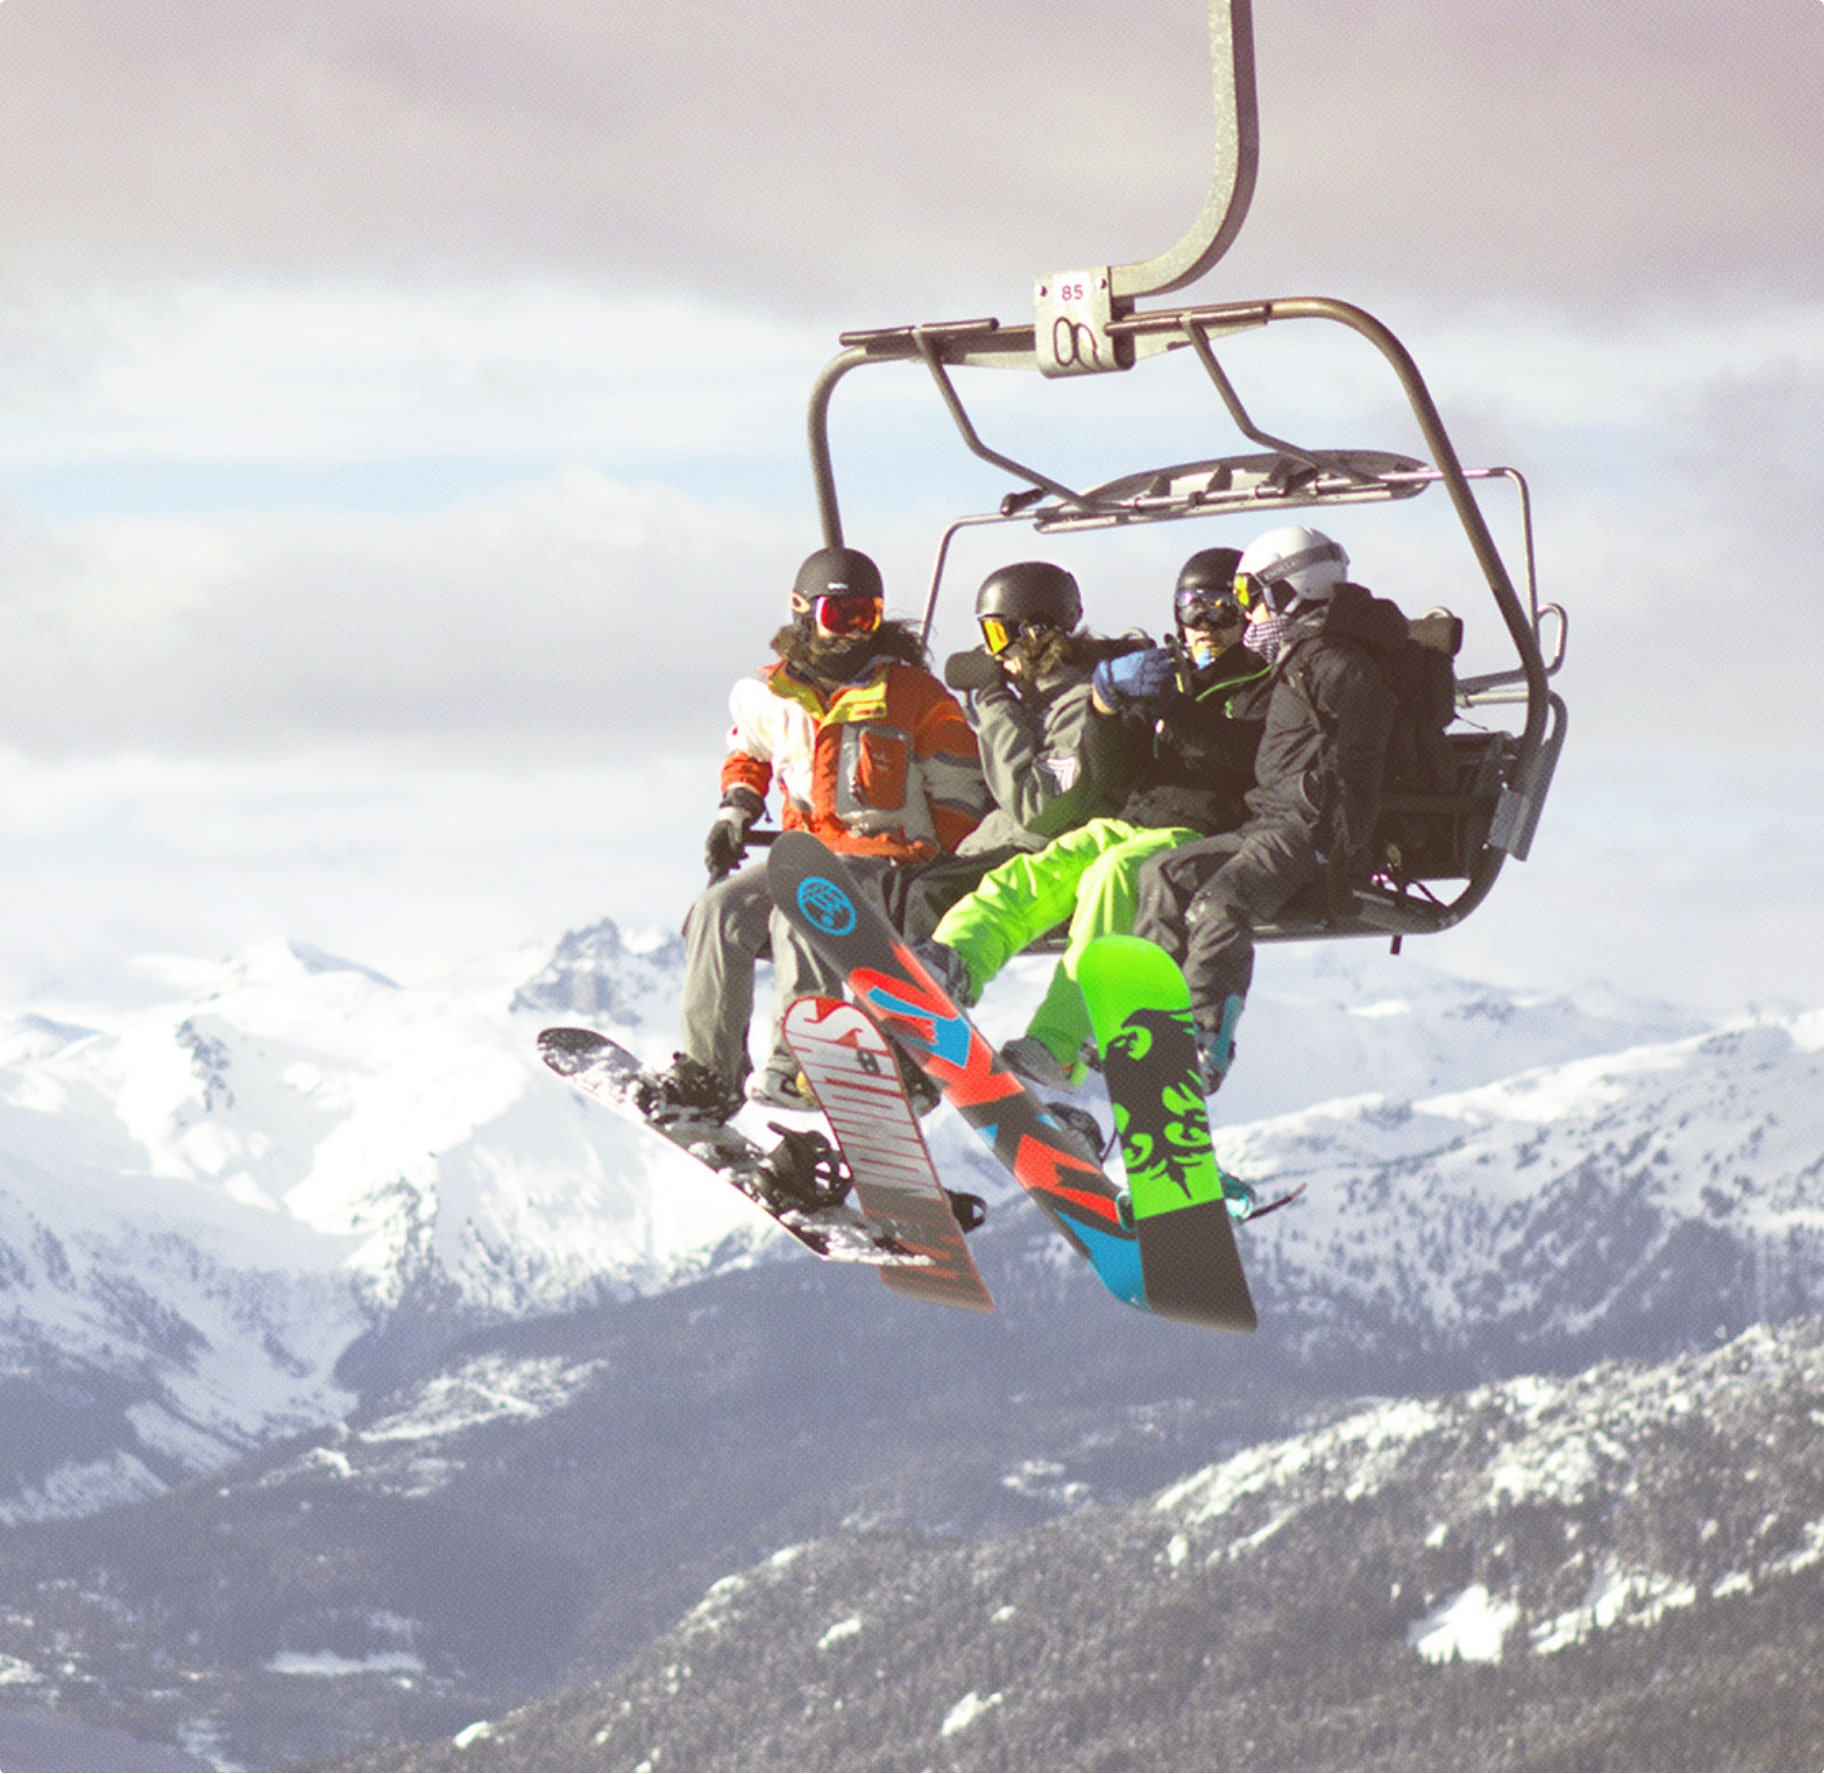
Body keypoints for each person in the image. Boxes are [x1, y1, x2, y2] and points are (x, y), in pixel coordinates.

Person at [914, 546, 1270, 1090]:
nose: (1205, 626)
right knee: (1035, 873)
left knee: (1114, 876)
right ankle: (953, 961)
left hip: (1204, 830)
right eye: (1191, 610)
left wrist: (1175, 712)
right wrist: (1109, 710)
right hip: (1135, 817)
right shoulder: (1171, 674)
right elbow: (1112, 770)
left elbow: (1252, 759)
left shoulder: (1263, 683)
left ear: (1249, 614)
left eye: (1222, 610)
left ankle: (1057, 1046)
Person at [675, 545, 990, 1112]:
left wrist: (936, 871)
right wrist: (736, 810)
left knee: (806, 897)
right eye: (836, 618)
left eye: (864, 619)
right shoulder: (771, 695)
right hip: (809, 852)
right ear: (801, 611)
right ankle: (709, 1074)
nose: (850, 635)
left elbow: (962, 793)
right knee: (716, 911)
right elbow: (749, 751)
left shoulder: (915, 698)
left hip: (888, 860)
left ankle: (805, 1062)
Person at [1133, 524, 1407, 1094]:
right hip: (1268, 820)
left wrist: (1347, 848)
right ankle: (1152, 1018)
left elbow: (1362, 757)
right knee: (1162, 872)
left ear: (1289, 591)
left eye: (1248, 597)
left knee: (1218, 901)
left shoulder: (1337, 662)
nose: (1246, 613)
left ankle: (1206, 1033)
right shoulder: (1303, 654)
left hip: (1307, 830)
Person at [900, 560, 1130, 944]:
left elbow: (1038, 807)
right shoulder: (1035, 699)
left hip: (1049, 853)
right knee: (899, 887)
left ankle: (925, 997)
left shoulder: (1079, 705)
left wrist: (993, 700)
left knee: (929, 896)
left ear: (1034, 631)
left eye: (996, 634)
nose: (993, 654)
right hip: (1004, 847)